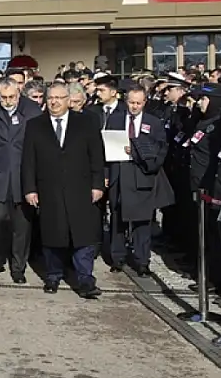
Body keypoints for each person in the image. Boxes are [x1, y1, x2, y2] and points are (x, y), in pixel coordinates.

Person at [21, 81, 105, 298]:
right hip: (49, 189)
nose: (54, 102)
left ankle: (85, 280)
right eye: (50, 98)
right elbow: (28, 160)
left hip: (81, 188)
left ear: (69, 100)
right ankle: (53, 276)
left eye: (59, 98)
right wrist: (30, 189)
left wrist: (98, 184)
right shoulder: (35, 125)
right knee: (53, 235)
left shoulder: (86, 122)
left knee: (83, 236)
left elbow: (97, 155)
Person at [105, 85, 175, 278]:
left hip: (142, 175)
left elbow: (160, 149)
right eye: (131, 102)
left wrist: (136, 151)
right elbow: (105, 145)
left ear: (145, 102)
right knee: (117, 219)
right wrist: (105, 174)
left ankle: (142, 261)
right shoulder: (116, 119)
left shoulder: (154, 123)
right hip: (119, 174)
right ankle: (117, 258)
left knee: (142, 223)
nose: (134, 106)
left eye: (138, 103)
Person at [0, 78, 42, 283]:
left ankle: (18, 266)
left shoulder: (32, 114)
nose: (7, 101)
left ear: (19, 93)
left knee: (22, 226)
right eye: (3, 97)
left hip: (24, 178)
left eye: (11, 97)